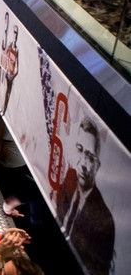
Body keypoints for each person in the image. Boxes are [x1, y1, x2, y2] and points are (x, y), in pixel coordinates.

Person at [53, 116, 114, 275]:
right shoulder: (71, 176)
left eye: (90, 157)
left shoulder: (104, 220)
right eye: (80, 149)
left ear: (97, 165)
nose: (83, 164)